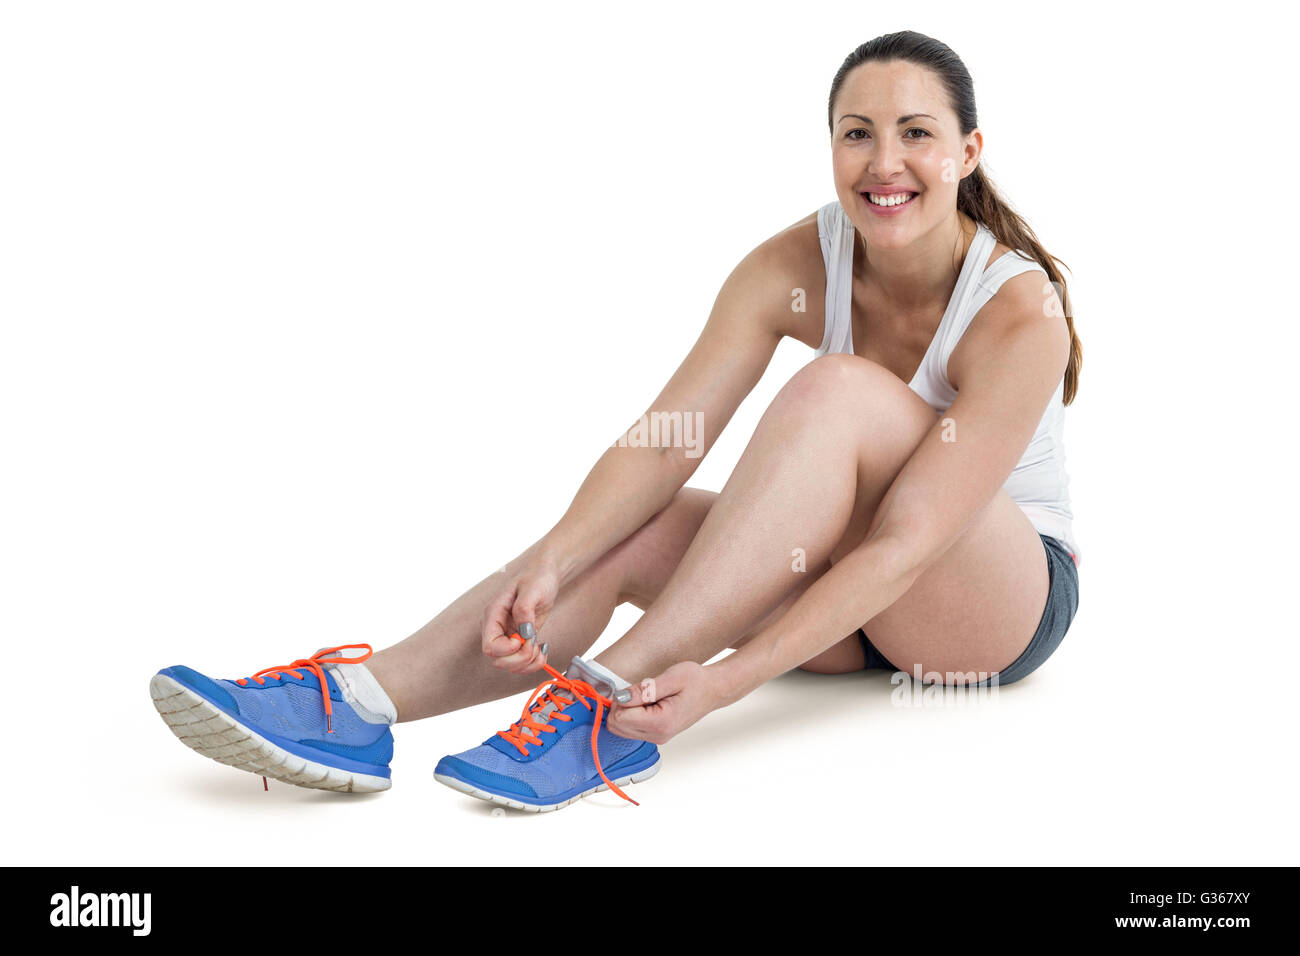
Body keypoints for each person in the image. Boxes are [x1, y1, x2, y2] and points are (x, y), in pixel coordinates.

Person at [150, 30, 1081, 811]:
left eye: (917, 133)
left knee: (837, 391)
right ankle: (356, 703)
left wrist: (720, 684)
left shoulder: (1017, 310)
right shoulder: (792, 262)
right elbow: (667, 437)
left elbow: (911, 541)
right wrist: (552, 559)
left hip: (985, 607)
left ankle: (602, 707)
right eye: (856, 134)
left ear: (968, 151)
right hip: (841, 603)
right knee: (623, 532)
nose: (885, 164)